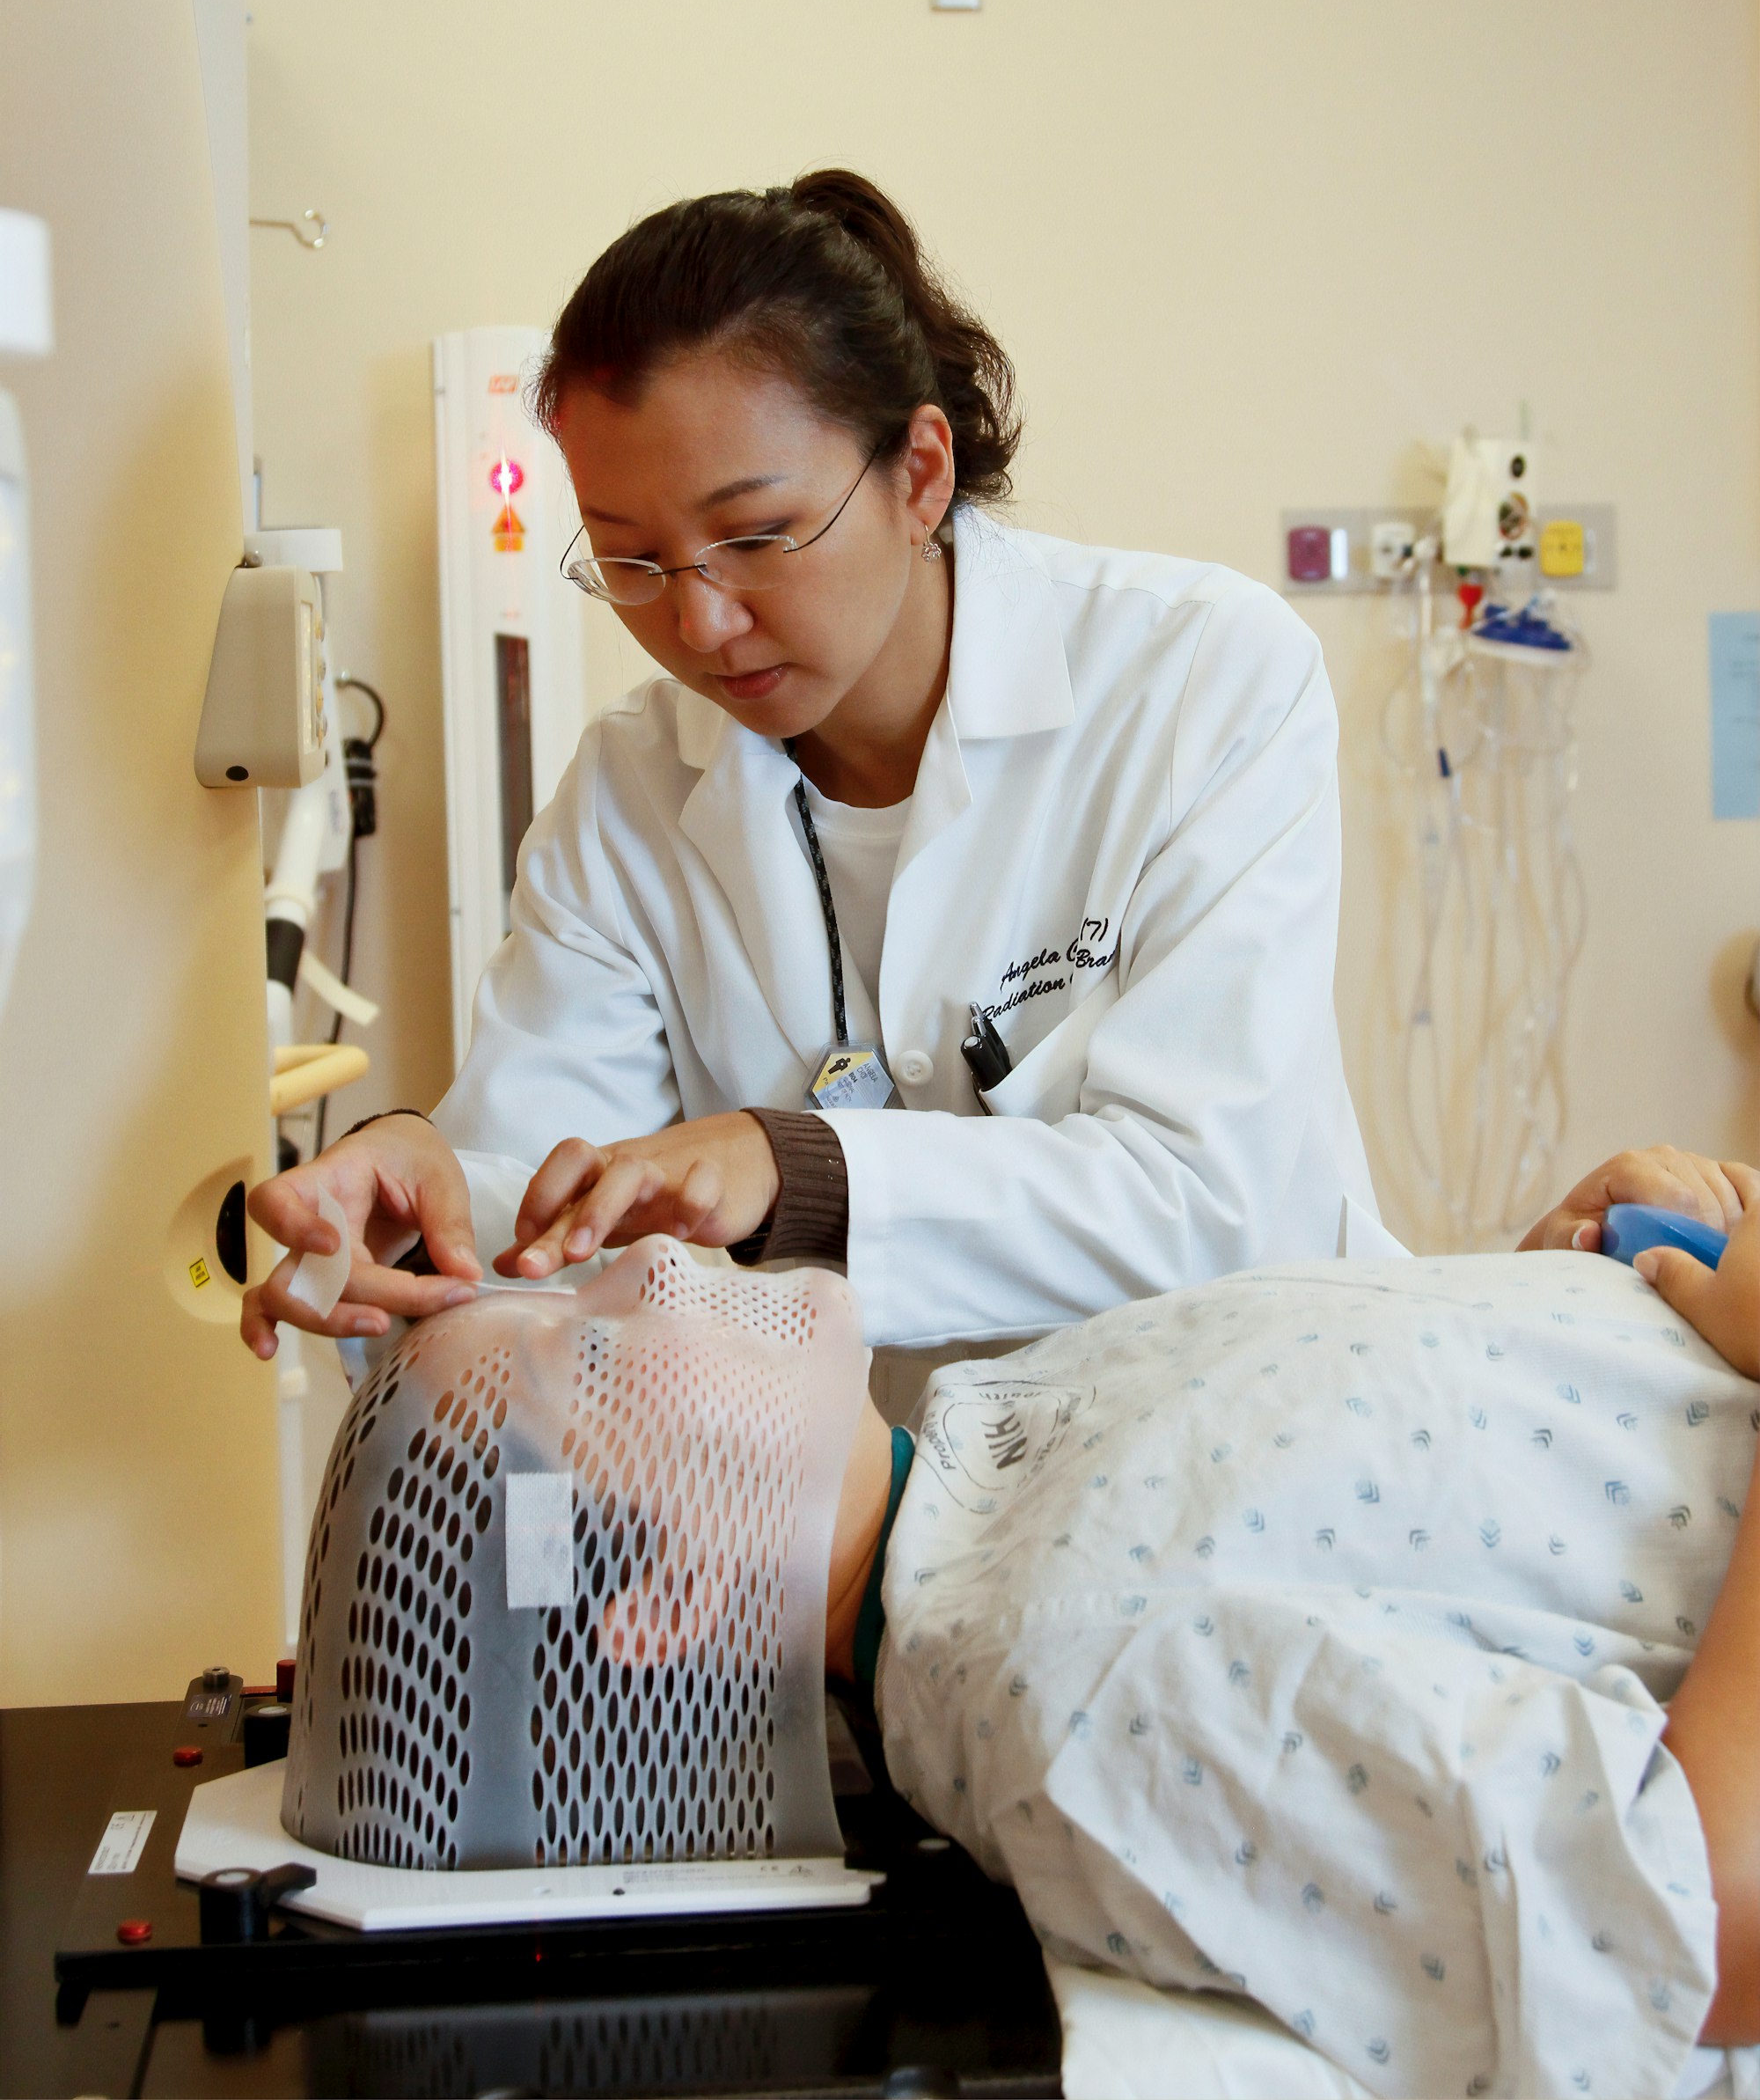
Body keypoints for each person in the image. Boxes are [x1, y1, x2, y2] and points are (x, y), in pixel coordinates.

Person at [245, 169, 1397, 1399]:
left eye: (753, 537)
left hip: (1236, 1460)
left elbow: (1216, 1199)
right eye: (631, 560)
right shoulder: (627, 799)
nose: (699, 618)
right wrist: (422, 1192)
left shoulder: (1199, 680)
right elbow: (551, 1207)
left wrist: (794, 1171)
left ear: (921, 473)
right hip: (863, 1523)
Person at [807, 1142, 1760, 2097]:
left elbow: (1440, 1512)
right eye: (647, 1310)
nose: (666, 1260)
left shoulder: (995, 1471)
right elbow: (1693, 1922)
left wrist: (1569, 1289)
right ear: (663, 1608)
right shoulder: (1082, 1674)